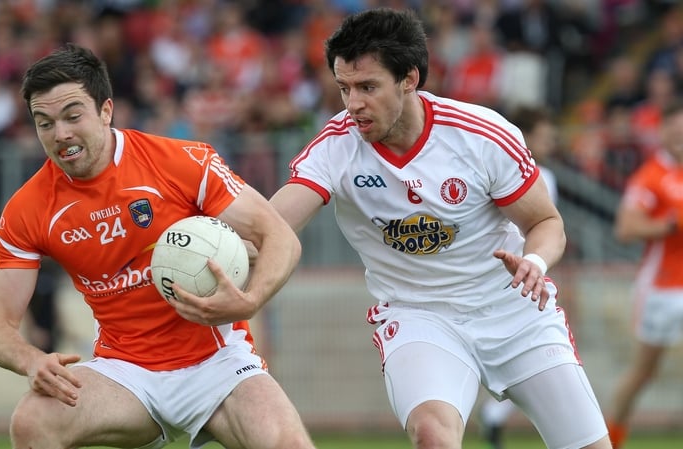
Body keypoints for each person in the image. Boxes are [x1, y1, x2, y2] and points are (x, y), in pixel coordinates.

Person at [268, 8, 612, 449]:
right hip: (419, 315)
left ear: (409, 78)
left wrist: (534, 260)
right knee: (433, 435)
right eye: (343, 88)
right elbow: (275, 224)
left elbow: (546, 223)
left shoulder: (482, 135)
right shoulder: (336, 146)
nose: (353, 104)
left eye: (368, 87)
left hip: (513, 311)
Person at [0, 43, 314, 449]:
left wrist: (251, 300)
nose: (60, 134)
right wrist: (31, 360)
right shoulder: (27, 209)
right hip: (125, 374)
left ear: (105, 110)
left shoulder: (181, 161)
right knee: (32, 421)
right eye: (43, 123)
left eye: (72, 116)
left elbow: (279, 237)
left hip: (219, 366)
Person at [478, 105, 560, 449]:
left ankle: (494, 419)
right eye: (543, 136)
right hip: (509, 282)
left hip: (526, 276)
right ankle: (493, 418)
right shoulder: (517, 172)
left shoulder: (538, 174)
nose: (550, 142)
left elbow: (548, 230)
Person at [605, 99, 683, 449]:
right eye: (675, 129)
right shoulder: (652, 176)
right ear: (662, 131)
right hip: (663, 290)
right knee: (643, 371)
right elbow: (625, 227)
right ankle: (608, 440)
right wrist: (669, 223)